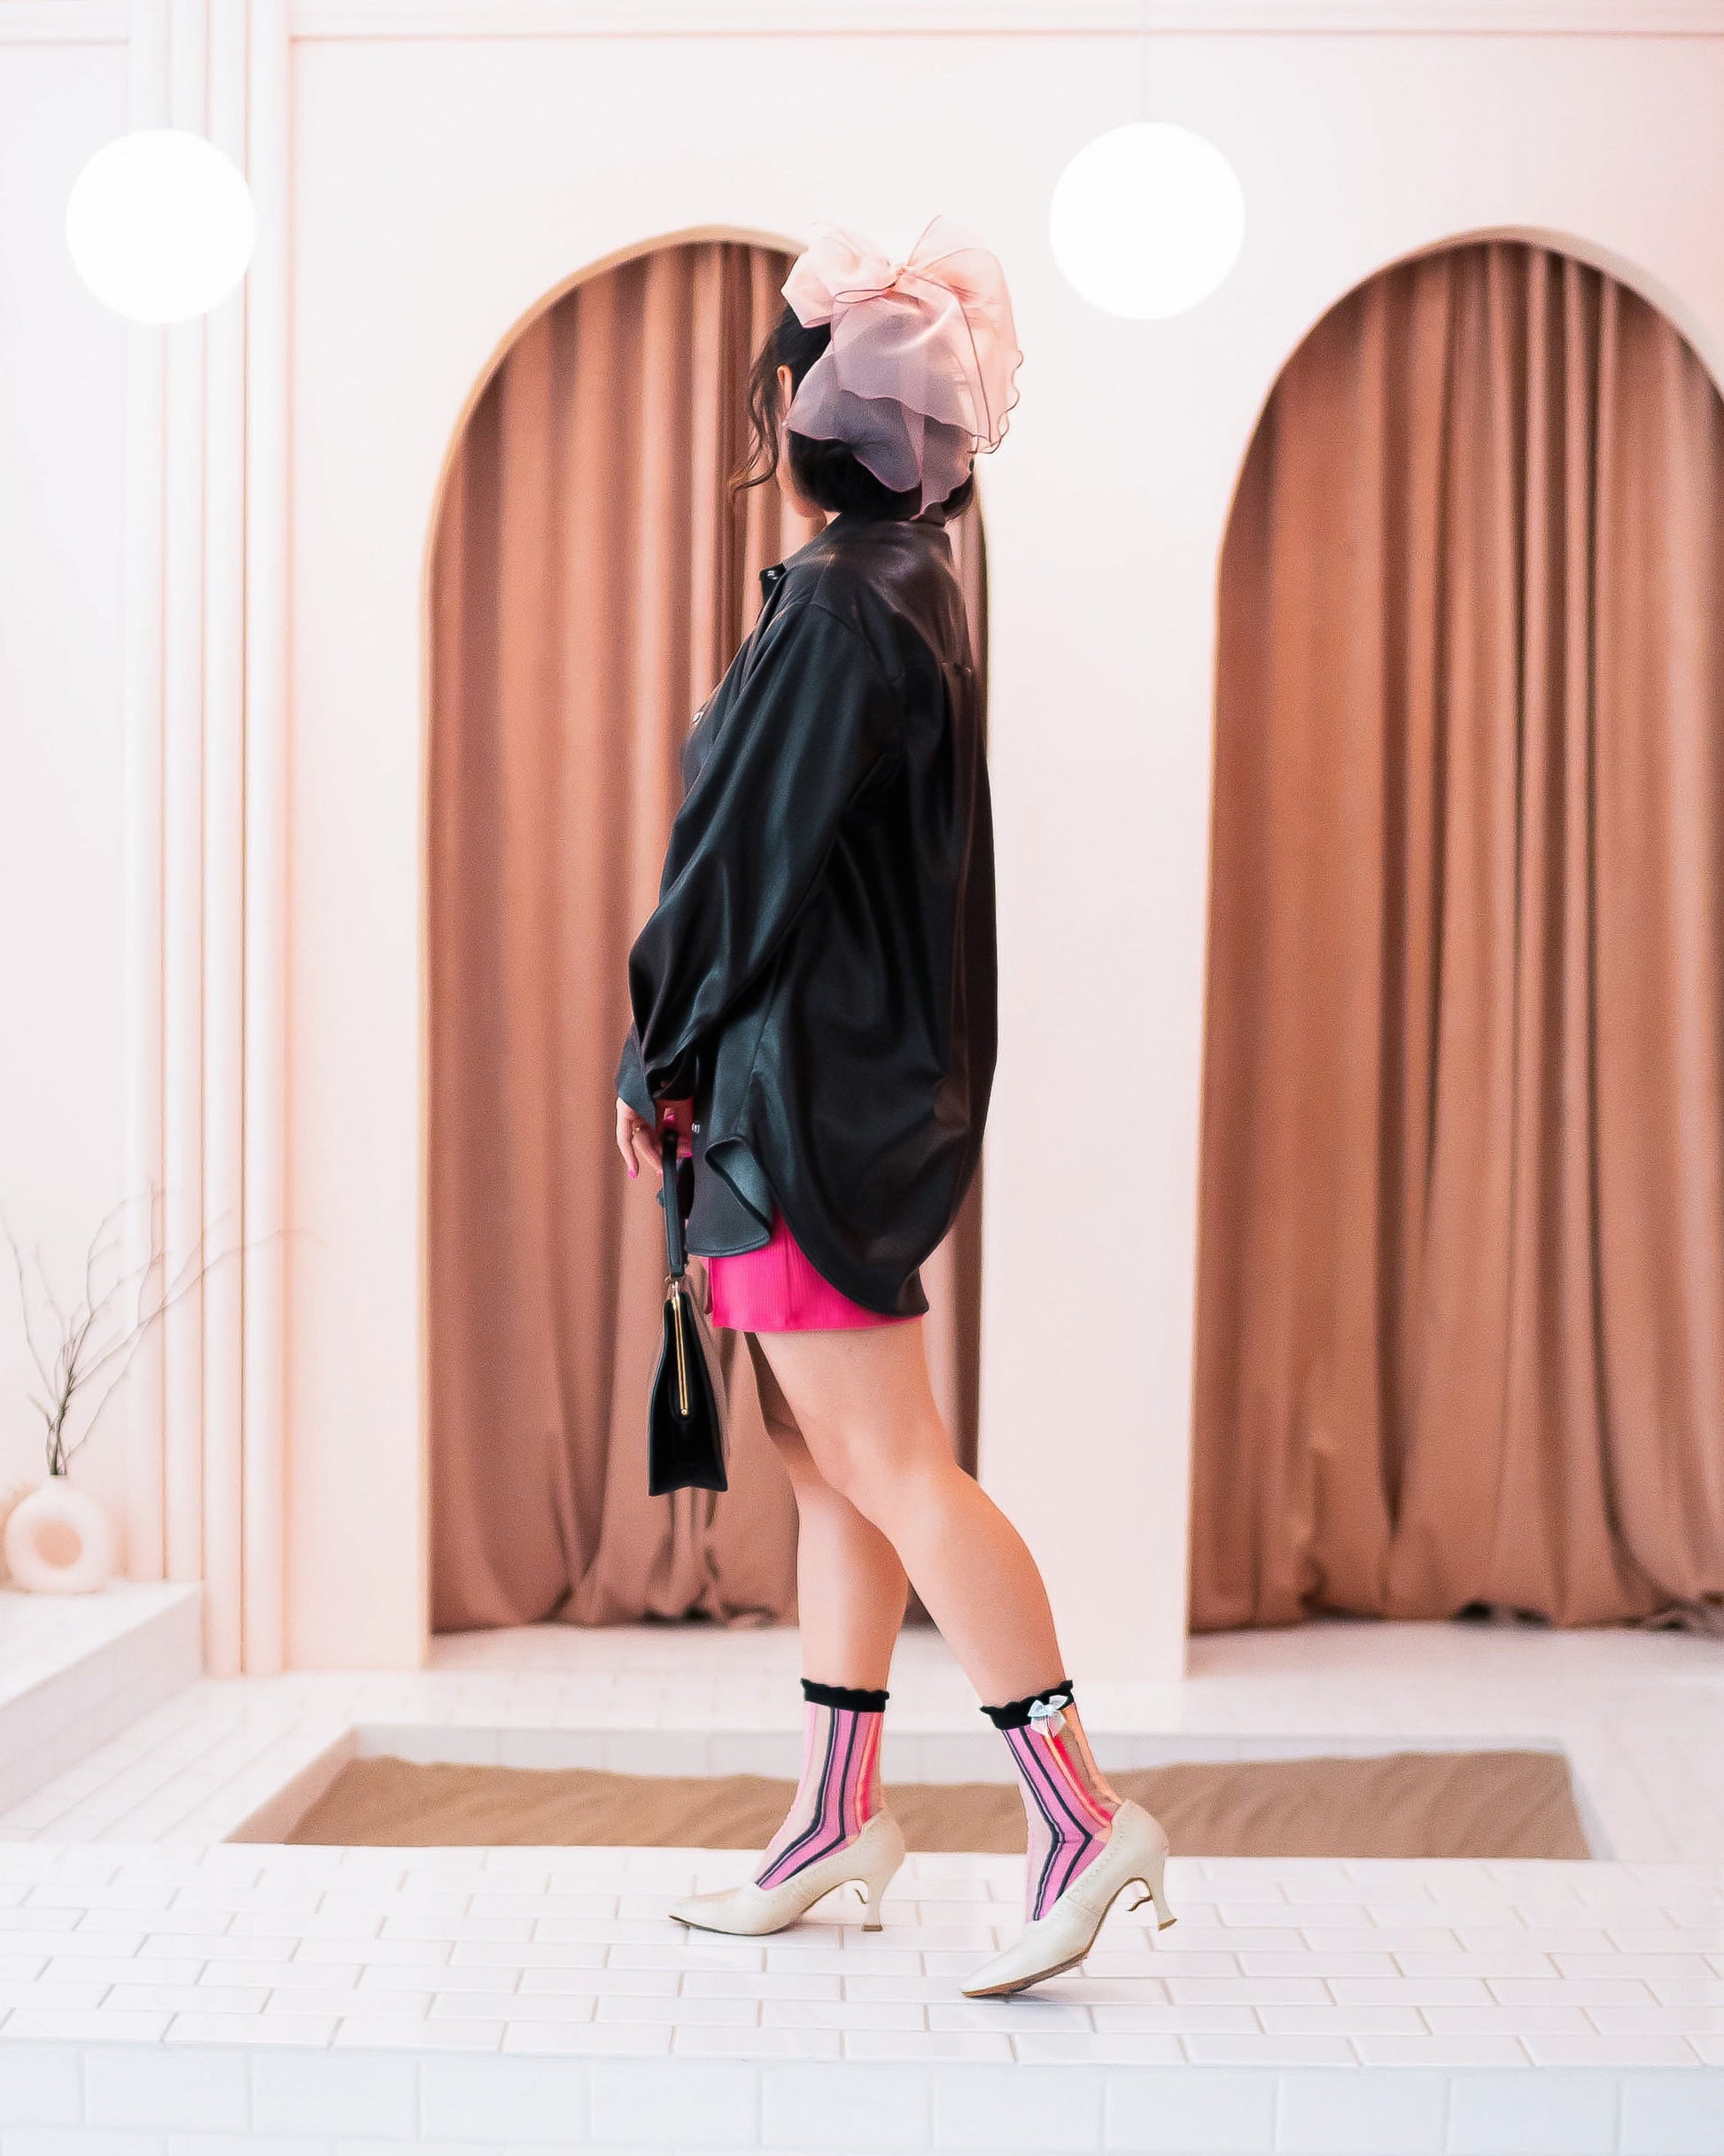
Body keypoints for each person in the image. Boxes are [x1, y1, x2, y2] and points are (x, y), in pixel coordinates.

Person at [613, 218, 1173, 1998]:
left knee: (893, 1467)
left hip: (795, 1096)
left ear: (810, 422)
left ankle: (1080, 1816)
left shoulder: (841, 602)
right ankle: (832, 1819)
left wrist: (658, 1050)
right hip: (839, 1088)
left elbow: (738, 866)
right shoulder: (910, 584)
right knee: (834, 1471)